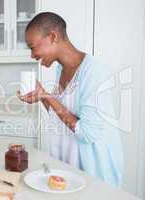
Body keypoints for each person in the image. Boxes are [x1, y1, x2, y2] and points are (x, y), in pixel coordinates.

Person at [18, 12, 123, 187]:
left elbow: (87, 132)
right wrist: (42, 96)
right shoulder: (61, 70)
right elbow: (62, 117)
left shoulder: (93, 71)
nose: (32, 55)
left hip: (94, 171)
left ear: (53, 37)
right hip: (70, 167)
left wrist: (48, 97)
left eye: (32, 47)